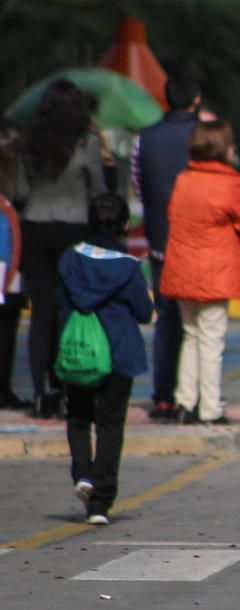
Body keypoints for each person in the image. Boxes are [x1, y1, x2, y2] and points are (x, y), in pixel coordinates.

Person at [13, 79, 107, 419]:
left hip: (35, 227)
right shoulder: (86, 141)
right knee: (70, 312)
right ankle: (69, 391)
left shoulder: (29, 141)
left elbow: (22, 190)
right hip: (73, 228)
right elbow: (97, 189)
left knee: (40, 314)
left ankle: (40, 393)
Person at [58, 193, 154, 525]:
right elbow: (144, 312)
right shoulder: (127, 267)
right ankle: (100, 502)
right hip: (118, 353)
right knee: (110, 425)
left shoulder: (69, 259)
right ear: (125, 225)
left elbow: (58, 307)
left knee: (79, 417)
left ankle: (83, 473)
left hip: (78, 352)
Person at [160, 120, 240, 425]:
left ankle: (184, 402)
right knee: (211, 341)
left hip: (182, 269)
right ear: (221, 148)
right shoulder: (230, 182)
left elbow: (171, 214)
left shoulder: (184, 179)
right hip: (214, 272)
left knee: (190, 336)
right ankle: (210, 408)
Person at [132, 70, 202, 421]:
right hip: (199, 244)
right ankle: (193, 396)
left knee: (167, 322)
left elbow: (137, 182)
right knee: (198, 324)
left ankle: (162, 396)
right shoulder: (206, 135)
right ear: (196, 99)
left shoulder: (145, 137)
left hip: (161, 243)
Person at [0, 194, 30, 409]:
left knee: (6, 332)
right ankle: (4, 390)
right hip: (8, 277)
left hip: (8, 277)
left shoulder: (8, 207)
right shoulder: (8, 207)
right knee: (6, 333)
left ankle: (4, 389)